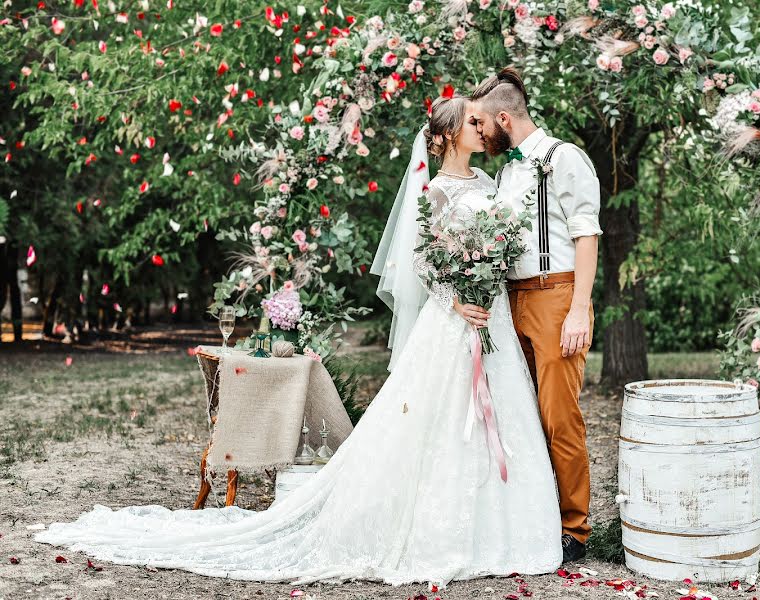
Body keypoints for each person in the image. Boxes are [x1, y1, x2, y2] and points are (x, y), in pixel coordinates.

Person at [34, 96, 564, 588]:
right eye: (471, 121)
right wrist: (456, 300)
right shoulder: (434, 192)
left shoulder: (490, 184)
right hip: (453, 322)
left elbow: (500, 243)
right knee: (439, 421)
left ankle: (500, 528)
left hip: (489, 319)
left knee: (496, 416)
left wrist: (485, 283)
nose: (482, 127)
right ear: (448, 134)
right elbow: (424, 263)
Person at [471, 67, 603, 563]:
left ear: (505, 117)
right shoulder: (505, 173)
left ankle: (576, 530)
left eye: (484, 124)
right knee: (521, 415)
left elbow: (586, 234)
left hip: (555, 298)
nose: (480, 134)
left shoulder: (563, 158)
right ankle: (536, 518)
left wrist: (578, 310)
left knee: (558, 416)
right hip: (511, 302)